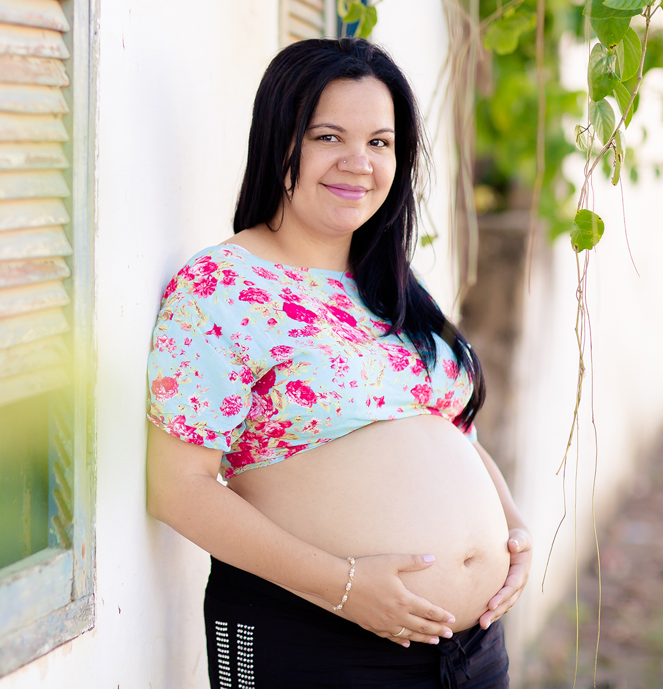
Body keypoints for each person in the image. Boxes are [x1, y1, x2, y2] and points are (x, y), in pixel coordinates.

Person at [144, 37, 532, 688]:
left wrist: (510, 530)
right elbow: (176, 488)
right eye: (329, 136)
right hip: (318, 638)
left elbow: (445, 431)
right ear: (281, 141)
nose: (359, 162)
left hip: (470, 650)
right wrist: (348, 588)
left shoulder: (391, 288)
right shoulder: (223, 286)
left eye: (380, 142)